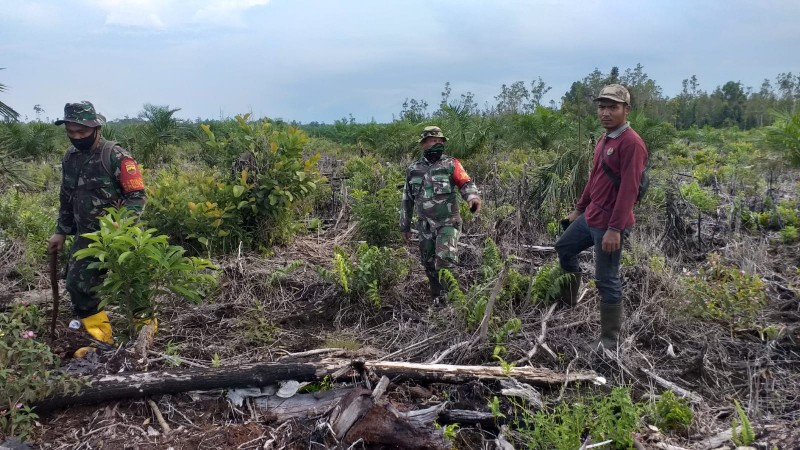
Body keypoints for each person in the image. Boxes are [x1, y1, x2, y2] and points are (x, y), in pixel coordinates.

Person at [47, 101, 146, 356]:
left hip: (120, 236)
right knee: (78, 284)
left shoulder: (116, 156)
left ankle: (146, 333)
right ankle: (101, 341)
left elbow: (136, 196)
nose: (77, 137)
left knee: (134, 283)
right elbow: (66, 196)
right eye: (72, 132)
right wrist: (61, 230)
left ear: (96, 128)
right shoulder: (70, 157)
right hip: (88, 237)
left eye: (82, 132)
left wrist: (122, 224)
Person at [555, 84, 648, 351]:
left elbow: (629, 190)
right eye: (602, 107)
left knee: (606, 278)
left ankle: (608, 343)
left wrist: (615, 229)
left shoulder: (632, 143)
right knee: (564, 247)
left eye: (613, 107)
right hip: (592, 215)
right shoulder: (605, 138)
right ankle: (566, 303)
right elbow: (595, 177)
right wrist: (579, 208)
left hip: (611, 224)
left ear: (626, 110)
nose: (605, 112)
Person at [400, 126, 481, 304]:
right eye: (433, 140)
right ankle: (438, 298)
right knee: (428, 263)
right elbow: (407, 199)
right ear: (423, 144)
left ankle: (455, 301)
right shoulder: (413, 169)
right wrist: (404, 226)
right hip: (425, 225)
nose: (437, 143)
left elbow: (465, 182)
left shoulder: (451, 164)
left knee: (445, 260)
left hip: (447, 222)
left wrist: (472, 197)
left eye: (440, 141)